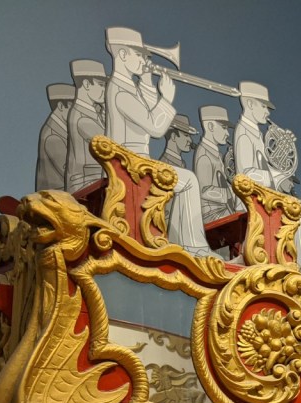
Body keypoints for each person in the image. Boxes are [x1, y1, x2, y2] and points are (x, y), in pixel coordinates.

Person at [234, 81, 301, 271]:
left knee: (299, 207)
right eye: (264, 106)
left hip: (262, 198)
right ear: (250, 104)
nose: (267, 112)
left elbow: (266, 169)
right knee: (300, 208)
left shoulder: (256, 133)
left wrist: (284, 147)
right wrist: (277, 175)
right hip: (250, 201)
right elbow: (247, 175)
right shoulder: (244, 133)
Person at [104, 27, 176, 157]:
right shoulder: (121, 93)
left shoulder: (128, 87)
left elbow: (150, 113)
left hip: (135, 159)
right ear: (123, 55)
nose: (143, 61)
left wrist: (146, 82)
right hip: (127, 161)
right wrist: (166, 100)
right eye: (138, 55)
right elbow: (155, 128)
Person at [162, 114, 217, 258]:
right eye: (186, 135)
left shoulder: (179, 163)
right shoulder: (165, 165)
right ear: (173, 137)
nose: (190, 141)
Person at [65, 59, 107, 191]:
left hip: (93, 180)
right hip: (85, 184)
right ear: (87, 84)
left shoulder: (91, 112)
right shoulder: (82, 117)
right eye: (101, 85)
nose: (104, 90)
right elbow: (110, 143)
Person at [194, 105, 237, 223]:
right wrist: (231, 192)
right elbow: (204, 191)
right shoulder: (204, 154)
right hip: (212, 215)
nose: (227, 133)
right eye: (224, 128)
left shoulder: (215, 153)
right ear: (210, 126)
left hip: (223, 210)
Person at [36, 83, 74, 191]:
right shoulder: (52, 136)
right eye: (72, 106)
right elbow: (67, 169)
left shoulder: (63, 129)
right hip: (56, 195)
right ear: (61, 106)